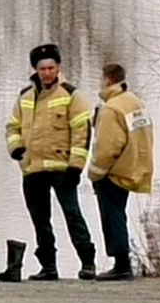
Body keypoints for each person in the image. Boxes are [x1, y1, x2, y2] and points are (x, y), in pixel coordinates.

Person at [5, 43, 97, 280]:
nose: (47, 72)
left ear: (58, 67)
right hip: (32, 167)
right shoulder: (25, 96)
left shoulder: (70, 95)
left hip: (62, 168)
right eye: (42, 68)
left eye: (51, 68)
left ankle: (88, 261)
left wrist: (76, 166)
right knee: (40, 219)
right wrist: (16, 149)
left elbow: (82, 132)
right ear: (36, 69)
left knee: (72, 215)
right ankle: (48, 265)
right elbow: (12, 126)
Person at [87, 62, 153, 280]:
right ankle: (123, 262)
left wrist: (95, 173)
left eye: (100, 78)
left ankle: (121, 264)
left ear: (107, 79)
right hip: (133, 166)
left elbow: (106, 147)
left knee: (112, 215)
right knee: (119, 214)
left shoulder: (111, 109)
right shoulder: (135, 102)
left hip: (114, 171)